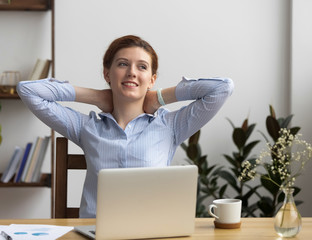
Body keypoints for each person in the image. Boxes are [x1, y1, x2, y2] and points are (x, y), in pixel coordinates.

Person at [17, 35, 234, 218]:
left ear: (152, 78)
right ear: (107, 74)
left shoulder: (170, 125)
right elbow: (28, 91)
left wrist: (159, 97)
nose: (132, 72)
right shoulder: (86, 127)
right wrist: (96, 96)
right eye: (122, 64)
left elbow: (222, 89)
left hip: (151, 233)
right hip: (95, 233)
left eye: (142, 67)